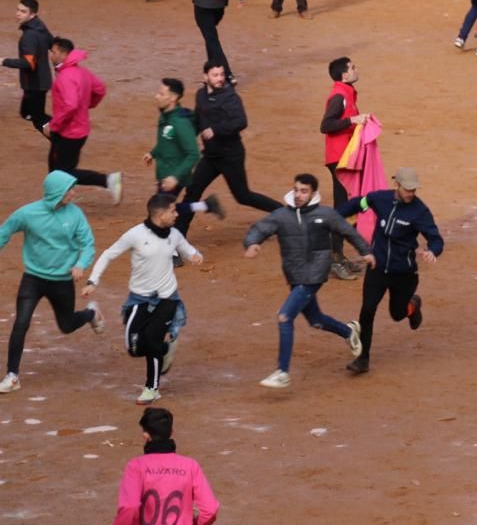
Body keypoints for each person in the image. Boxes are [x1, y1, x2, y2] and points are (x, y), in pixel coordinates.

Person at [243, 172, 374, 389]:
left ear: (313, 193)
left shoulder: (325, 214)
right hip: (294, 275)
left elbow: (348, 231)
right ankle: (349, 332)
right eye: (296, 190)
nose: (298, 195)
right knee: (315, 319)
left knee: (285, 317)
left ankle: (282, 372)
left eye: (303, 191)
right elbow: (259, 229)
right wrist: (252, 242)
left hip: (314, 274)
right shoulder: (281, 215)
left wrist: (365, 251)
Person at [88, 194, 202, 403]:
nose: (177, 214)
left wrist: (195, 256)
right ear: (160, 214)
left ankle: (152, 388)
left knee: (152, 340)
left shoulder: (174, 234)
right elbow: (108, 254)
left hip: (167, 298)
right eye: (173, 211)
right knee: (134, 348)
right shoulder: (135, 235)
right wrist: (93, 280)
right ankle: (165, 349)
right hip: (139, 299)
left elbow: (187, 250)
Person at [0, 170, 101, 394]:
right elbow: (4, 232)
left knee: (66, 325)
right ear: (56, 192)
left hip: (62, 282)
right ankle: (12, 375)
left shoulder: (75, 215)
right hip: (33, 278)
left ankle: (91, 314)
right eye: (69, 189)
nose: (73, 193)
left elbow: (88, 243)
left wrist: (81, 264)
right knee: (21, 323)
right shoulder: (28, 213)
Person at [336, 167, 443, 374]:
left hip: (403, 273)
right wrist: (332, 216)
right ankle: (363, 358)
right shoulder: (379, 199)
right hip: (377, 267)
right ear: (397, 185)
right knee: (367, 310)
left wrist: (433, 251)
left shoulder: (420, 211)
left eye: (413, 190)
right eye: (407, 189)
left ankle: (413, 305)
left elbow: (435, 238)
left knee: (397, 314)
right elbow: (357, 204)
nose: (411, 193)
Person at [174, 63, 279, 236]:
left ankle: (285, 213)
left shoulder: (230, 97)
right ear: (205, 77)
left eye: (222, 75)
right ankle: (178, 241)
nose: (220, 78)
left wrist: (215, 129)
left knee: (243, 196)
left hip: (230, 156)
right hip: (210, 157)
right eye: (215, 75)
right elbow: (199, 120)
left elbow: (240, 121)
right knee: (192, 192)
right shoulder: (201, 95)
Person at [44, 38, 122, 202]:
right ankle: (61, 197)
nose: (51, 55)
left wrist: (54, 124)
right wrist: (87, 105)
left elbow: (71, 105)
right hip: (80, 130)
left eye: (54, 52)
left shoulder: (65, 77)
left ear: (63, 54)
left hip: (67, 132)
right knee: (59, 169)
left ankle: (107, 180)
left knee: (60, 173)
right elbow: (100, 89)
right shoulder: (82, 72)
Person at [319, 58, 370, 280]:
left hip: (344, 158)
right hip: (339, 159)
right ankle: (333, 258)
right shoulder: (339, 96)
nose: (355, 69)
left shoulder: (346, 93)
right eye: (352, 67)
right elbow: (326, 125)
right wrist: (353, 120)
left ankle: (338, 257)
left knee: (344, 207)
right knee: (342, 209)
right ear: (344, 76)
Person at [5, 0, 52, 134]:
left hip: (35, 85)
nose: (18, 14)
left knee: (38, 120)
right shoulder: (41, 27)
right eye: (18, 10)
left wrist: (4, 61)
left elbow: (28, 63)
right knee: (26, 113)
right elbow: (52, 43)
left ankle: (61, 139)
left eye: (23, 11)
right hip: (40, 81)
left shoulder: (29, 36)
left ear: (33, 14)